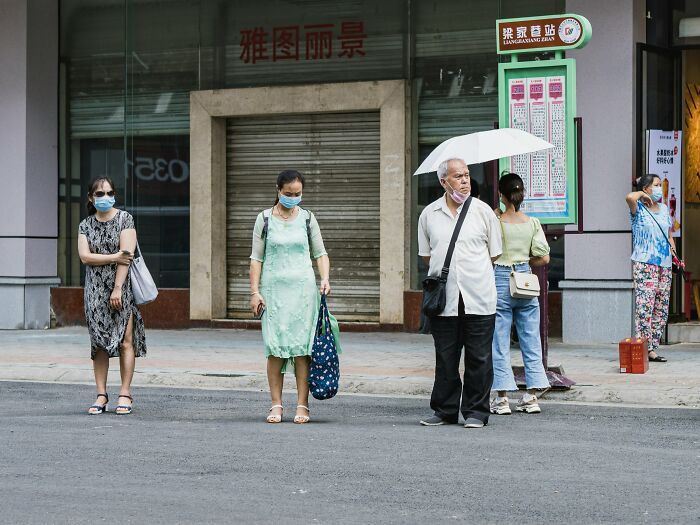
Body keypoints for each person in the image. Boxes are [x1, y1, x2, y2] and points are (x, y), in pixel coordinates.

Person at [417, 158, 502, 428]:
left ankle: (476, 412)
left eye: (466, 175)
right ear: (444, 182)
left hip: (480, 297)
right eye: (458, 176)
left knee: (479, 357)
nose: (464, 180)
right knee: (446, 358)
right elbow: (426, 256)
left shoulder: (483, 211)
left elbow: (495, 253)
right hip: (445, 300)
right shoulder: (429, 214)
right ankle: (444, 410)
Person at [249, 170, 338, 424]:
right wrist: (255, 292)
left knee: (302, 350)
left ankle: (303, 404)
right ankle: (276, 404)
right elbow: (256, 259)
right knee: (274, 350)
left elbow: (320, 253)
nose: (293, 198)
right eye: (289, 194)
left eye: (298, 194)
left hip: (303, 292)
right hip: (273, 292)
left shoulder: (308, 218)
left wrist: (325, 278)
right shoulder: (264, 218)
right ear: (278, 190)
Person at [78, 177, 146, 415]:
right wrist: (113, 256)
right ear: (91, 198)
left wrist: (117, 287)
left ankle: (125, 393)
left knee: (126, 341)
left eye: (109, 193)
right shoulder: (85, 225)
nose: (105, 198)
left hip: (121, 288)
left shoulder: (125, 219)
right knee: (98, 344)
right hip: (94, 291)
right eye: (99, 194)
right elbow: (85, 257)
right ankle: (101, 394)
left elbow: (126, 256)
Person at [490, 173, 551, 415]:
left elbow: (490, 254)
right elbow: (544, 257)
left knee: (499, 341)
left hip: (501, 280)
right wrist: (524, 261)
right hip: (525, 280)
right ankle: (532, 396)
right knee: (530, 339)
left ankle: (502, 398)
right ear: (521, 194)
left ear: (501, 195)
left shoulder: (495, 222)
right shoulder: (532, 222)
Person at [625, 173, 676, 362]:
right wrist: (641, 195)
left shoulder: (663, 209)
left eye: (660, 184)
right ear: (646, 188)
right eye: (655, 185)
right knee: (645, 307)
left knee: (660, 308)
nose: (659, 188)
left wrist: (675, 256)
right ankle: (642, 346)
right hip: (645, 264)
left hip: (664, 264)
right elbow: (629, 197)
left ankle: (653, 348)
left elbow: (669, 235)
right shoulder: (637, 208)